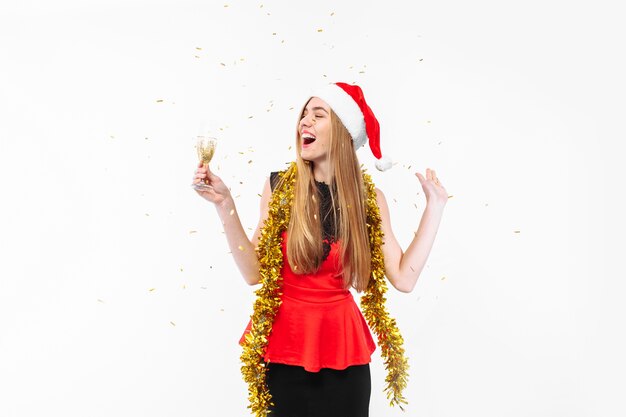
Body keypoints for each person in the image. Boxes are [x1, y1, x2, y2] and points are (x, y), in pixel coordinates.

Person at [192, 82, 448, 417]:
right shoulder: (281, 187)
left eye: (318, 115)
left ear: (342, 132)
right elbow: (254, 273)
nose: (304, 123)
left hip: (345, 353)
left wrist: (435, 207)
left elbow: (404, 278)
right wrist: (224, 204)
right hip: (286, 347)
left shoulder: (369, 200)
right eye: (303, 115)